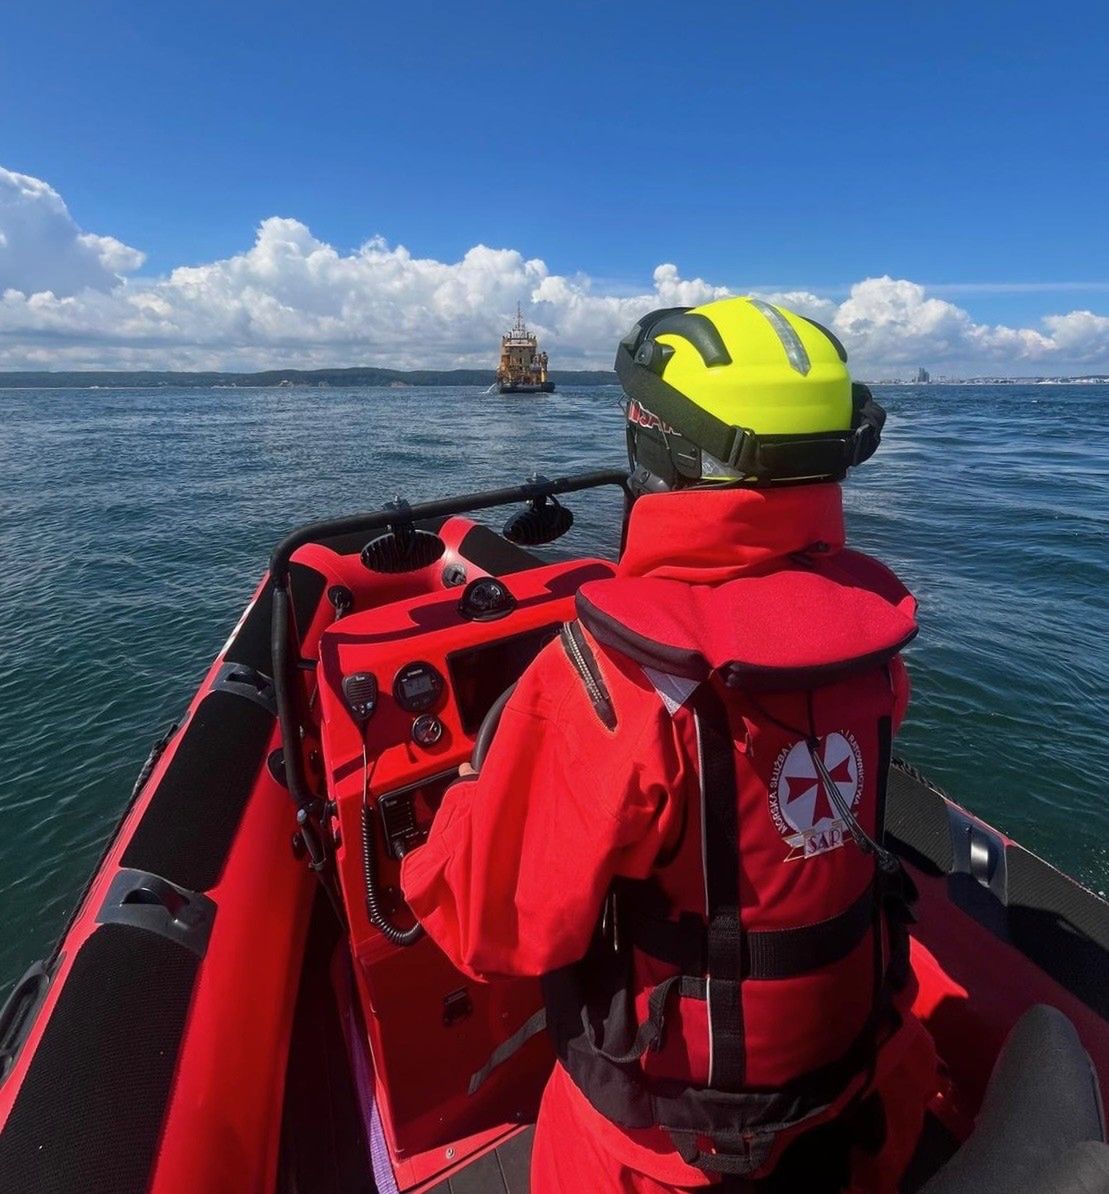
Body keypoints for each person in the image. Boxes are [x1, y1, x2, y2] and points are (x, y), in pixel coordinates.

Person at [401, 297, 939, 1192]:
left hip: (668, 1153)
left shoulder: (609, 677)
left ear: (653, 444)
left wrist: (463, 794)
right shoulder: (874, 643)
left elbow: (490, 926)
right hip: (852, 1095)